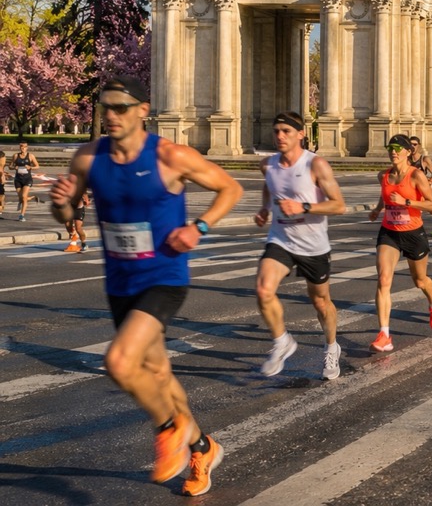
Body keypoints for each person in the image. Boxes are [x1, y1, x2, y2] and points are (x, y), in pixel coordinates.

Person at [48, 75, 244, 496]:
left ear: (142, 110)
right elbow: (66, 218)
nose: (112, 115)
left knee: (121, 362)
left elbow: (230, 187)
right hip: (120, 281)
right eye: (106, 108)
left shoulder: (170, 156)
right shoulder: (87, 158)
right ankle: (203, 447)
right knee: (157, 372)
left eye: (121, 107)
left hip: (164, 277)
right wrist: (61, 202)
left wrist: (200, 227)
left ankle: (170, 428)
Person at [253, 112, 347, 380]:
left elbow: (339, 205)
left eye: (286, 131)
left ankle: (331, 346)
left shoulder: (315, 165)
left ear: (301, 134)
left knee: (320, 302)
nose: (280, 136)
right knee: (263, 289)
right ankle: (282, 341)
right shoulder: (267, 165)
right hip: (281, 239)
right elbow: (269, 186)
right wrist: (264, 208)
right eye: (276, 131)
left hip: (313, 245)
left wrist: (304, 206)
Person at [369, 134, 432, 352]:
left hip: (413, 233)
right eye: (390, 148)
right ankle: (384, 334)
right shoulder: (383, 175)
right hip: (389, 232)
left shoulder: (416, 175)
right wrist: (377, 209)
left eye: (397, 148)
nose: (393, 152)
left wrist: (406, 201)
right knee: (383, 279)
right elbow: (386, 194)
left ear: (407, 152)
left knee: (420, 281)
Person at [9, 141, 39, 221]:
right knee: (22, 198)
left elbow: (37, 166)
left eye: (24, 146)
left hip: (27, 179)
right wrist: (13, 168)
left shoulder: (31, 156)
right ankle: (32, 198)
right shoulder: (16, 156)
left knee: (23, 197)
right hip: (18, 179)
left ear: (27, 147)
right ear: (19, 148)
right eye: (21, 146)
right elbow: (10, 166)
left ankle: (21, 215)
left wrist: (30, 167)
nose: (23, 148)